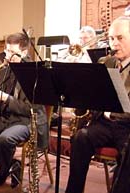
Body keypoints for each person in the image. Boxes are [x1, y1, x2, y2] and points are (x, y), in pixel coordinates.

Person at [65, 16, 130, 193]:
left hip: (127, 126)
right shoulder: (106, 62)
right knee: (81, 137)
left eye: (120, 38)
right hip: (105, 123)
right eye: (111, 38)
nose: (114, 43)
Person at [0, 33, 48, 187]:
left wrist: (5, 98)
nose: (7, 56)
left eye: (12, 52)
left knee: (4, 139)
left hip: (27, 121)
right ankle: (9, 164)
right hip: (6, 117)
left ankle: (3, 171)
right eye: (6, 50)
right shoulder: (5, 69)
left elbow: (30, 109)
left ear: (24, 53)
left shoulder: (35, 73)